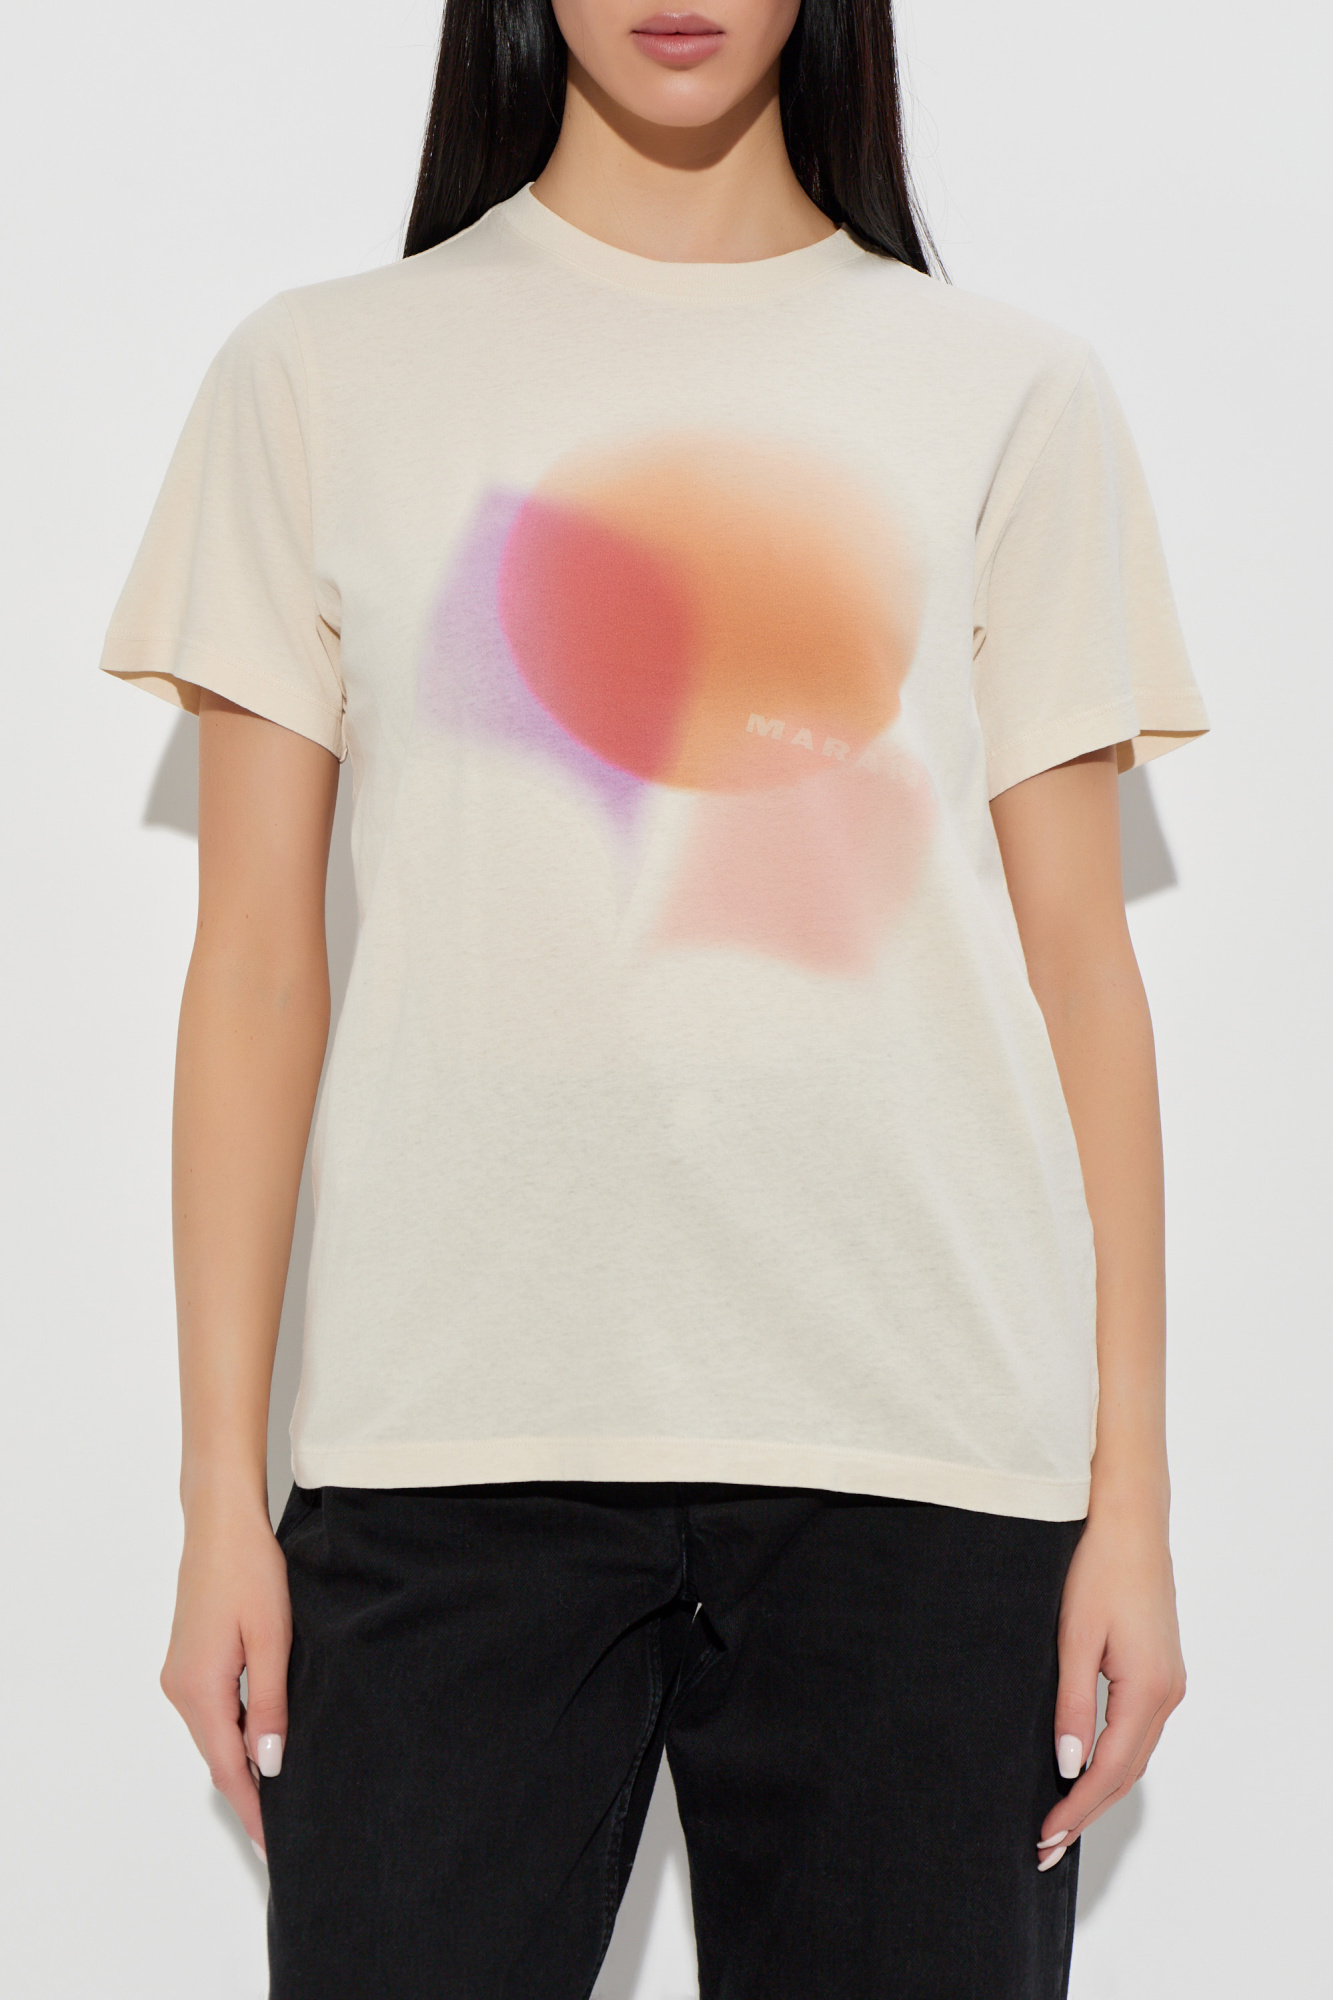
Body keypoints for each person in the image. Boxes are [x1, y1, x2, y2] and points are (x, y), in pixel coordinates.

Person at [101, 1, 1206, 1993]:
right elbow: (254, 967)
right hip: (438, 1464)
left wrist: (1128, 1500)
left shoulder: (1008, 394)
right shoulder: (317, 377)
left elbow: (1080, 976)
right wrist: (216, 1507)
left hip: (925, 1462)